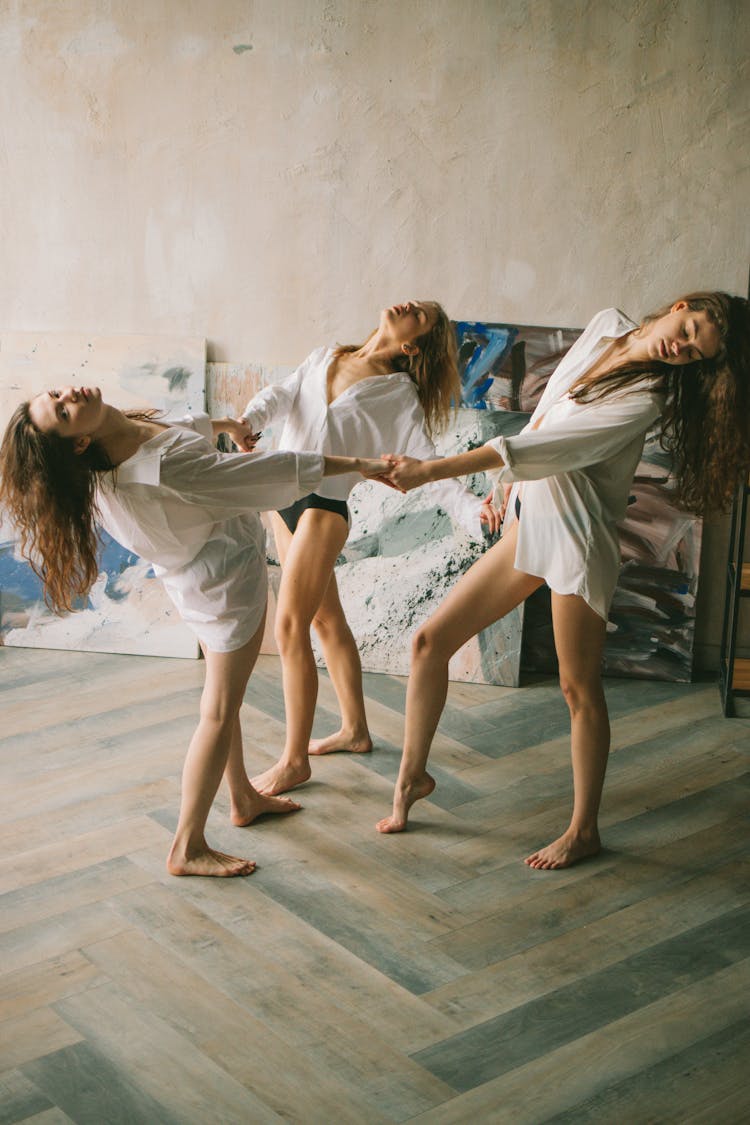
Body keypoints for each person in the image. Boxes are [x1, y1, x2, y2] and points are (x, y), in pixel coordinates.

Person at [375, 293, 750, 869]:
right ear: (682, 305)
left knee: (579, 691)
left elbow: (553, 447)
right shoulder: (607, 326)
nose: (682, 347)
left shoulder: (647, 397)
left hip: (576, 539)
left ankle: (584, 830)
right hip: (533, 519)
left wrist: (433, 469)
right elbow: (548, 408)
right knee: (430, 642)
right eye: (690, 328)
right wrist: (506, 482)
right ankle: (411, 779)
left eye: (695, 353)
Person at [0, 386, 388, 877]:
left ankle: (243, 796)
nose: (69, 394)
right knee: (220, 710)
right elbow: (264, 473)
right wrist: (358, 463)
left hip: (200, 570)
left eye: (55, 394)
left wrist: (223, 427)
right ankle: (187, 846)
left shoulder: (115, 439)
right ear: (77, 443)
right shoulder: (154, 470)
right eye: (62, 410)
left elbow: (169, 433)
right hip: (221, 586)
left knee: (222, 704)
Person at [232, 301, 503, 796]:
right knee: (324, 620)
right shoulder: (326, 355)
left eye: (421, 315)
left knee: (289, 625)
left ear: (412, 345)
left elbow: (428, 466)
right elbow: (283, 394)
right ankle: (355, 730)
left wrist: (471, 509)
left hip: (321, 507)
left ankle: (294, 760)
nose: (410, 306)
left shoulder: (397, 395)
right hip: (282, 498)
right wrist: (248, 421)